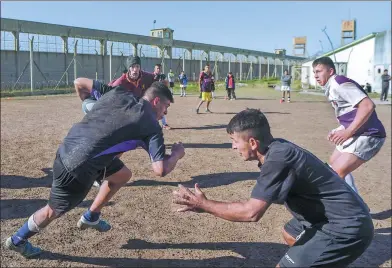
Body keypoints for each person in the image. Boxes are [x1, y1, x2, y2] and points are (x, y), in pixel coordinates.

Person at [173, 108, 374, 267]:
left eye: (234, 141)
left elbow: (251, 213)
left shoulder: (278, 158)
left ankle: (321, 255)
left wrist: (204, 204)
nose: (233, 147)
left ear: (252, 142)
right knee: (290, 233)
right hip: (327, 219)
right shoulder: (277, 149)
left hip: (345, 227)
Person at [5, 82, 185, 258]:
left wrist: (89, 111)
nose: (166, 112)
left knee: (123, 175)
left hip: (69, 148)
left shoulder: (119, 93)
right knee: (51, 211)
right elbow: (160, 169)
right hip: (78, 167)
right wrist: (176, 154)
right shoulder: (151, 127)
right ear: (156, 102)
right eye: (166, 106)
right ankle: (17, 240)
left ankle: (92, 216)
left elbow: (80, 82)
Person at [312, 56, 386, 195]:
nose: (316, 75)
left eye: (319, 71)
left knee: (338, 171)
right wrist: (340, 129)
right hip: (358, 132)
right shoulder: (332, 86)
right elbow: (351, 113)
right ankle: (358, 205)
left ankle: (350, 210)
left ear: (330, 71)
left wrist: (348, 132)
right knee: (334, 162)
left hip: (370, 134)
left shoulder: (339, 84)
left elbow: (367, 105)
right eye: (314, 72)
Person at [153, 63, 171, 130]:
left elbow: (165, 85)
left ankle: (164, 124)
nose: (158, 70)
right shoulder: (151, 76)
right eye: (157, 68)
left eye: (159, 68)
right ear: (154, 69)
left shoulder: (162, 76)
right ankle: (154, 124)